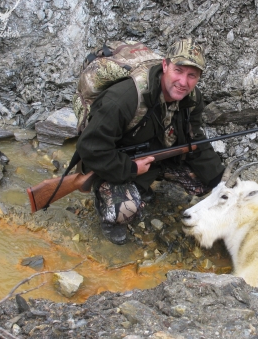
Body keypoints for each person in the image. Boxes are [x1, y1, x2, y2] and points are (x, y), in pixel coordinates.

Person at [76, 38, 225, 245]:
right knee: (125, 211)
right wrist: (130, 168)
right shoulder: (124, 98)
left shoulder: (192, 99)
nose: (184, 82)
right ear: (165, 65)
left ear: (198, 78)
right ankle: (105, 202)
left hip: (155, 153)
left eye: (192, 75)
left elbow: (194, 138)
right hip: (115, 160)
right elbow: (90, 148)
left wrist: (222, 181)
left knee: (204, 183)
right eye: (178, 71)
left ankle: (142, 187)